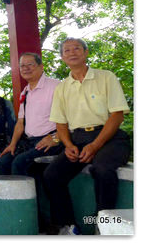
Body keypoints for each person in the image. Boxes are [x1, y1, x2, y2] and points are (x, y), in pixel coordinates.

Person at [43, 38, 131, 235]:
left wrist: (95, 146)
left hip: (110, 136)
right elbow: (61, 123)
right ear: (62, 57)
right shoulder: (62, 87)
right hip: (78, 139)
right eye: (67, 50)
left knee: (102, 169)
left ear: (86, 52)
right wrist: (67, 145)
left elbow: (117, 115)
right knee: (52, 175)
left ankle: (103, 225)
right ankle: (69, 226)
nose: (72, 53)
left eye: (77, 49)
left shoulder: (106, 77)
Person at [0, 53, 62, 175]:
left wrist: (56, 137)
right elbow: (20, 122)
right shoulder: (25, 92)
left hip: (50, 140)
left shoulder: (56, 86)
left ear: (41, 66)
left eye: (30, 64)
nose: (26, 68)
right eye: (22, 66)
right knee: (4, 162)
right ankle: (9, 195)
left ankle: (30, 195)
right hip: (30, 142)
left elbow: (70, 116)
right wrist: (12, 144)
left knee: (20, 163)